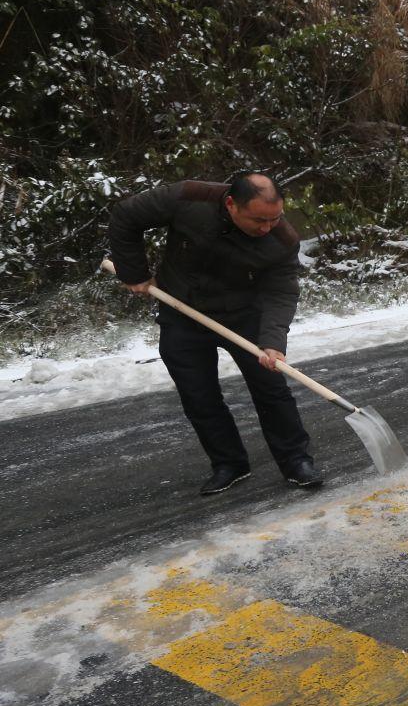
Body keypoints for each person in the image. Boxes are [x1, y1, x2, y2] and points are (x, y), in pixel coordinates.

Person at [106, 173, 322, 495]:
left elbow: (281, 293)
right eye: (259, 220)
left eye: (274, 218)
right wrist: (134, 272)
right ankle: (229, 464)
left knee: (271, 389)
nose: (267, 227)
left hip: (245, 316)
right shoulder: (189, 198)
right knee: (199, 395)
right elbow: (126, 215)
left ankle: (295, 461)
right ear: (232, 204)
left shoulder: (282, 240)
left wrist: (273, 342)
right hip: (182, 311)